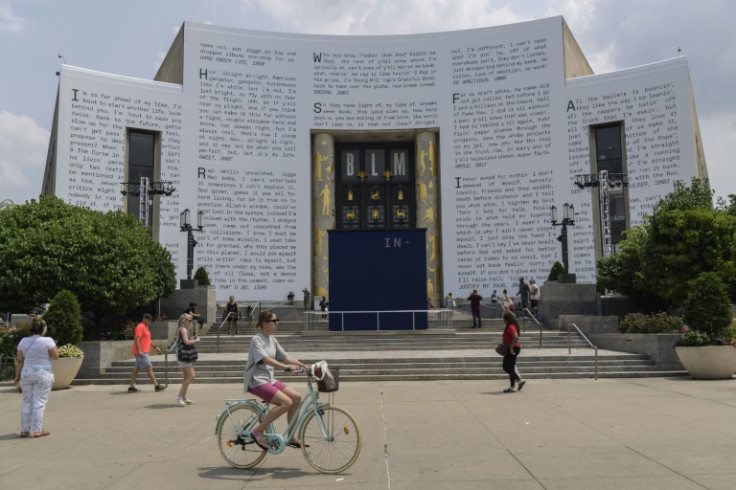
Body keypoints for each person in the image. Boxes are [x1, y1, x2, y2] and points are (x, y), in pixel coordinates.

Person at [243, 311, 310, 450]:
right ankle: (258, 431)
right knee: (286, 402)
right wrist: (285, 367)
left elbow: (286, 357)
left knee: (296, 398)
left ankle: (291, 436)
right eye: (274, 320)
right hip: (257, 381)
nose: (277, 323)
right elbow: (265, 359)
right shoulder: (257, 340)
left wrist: (304, 366)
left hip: (270, 379)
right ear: (264, 323)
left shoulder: (273, 340)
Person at [15, 316, 59, 438]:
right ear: (43, 329)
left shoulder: (23, 341)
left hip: (27, 373)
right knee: (39, 402)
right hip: (43, 373)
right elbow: (56, 356)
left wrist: (17, 377)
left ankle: (24, 430)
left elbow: (19, 361)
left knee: (27, 401)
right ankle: (38, 430)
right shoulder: (48, 341)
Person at [128, 313, 165, 393]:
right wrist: (140, 351)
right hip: (141, 352)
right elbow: (137, 339)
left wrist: (155, 347)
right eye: (148, 320)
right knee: (149, 368)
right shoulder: (140, 327)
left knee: (136, 369)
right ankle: (156, 386)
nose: (150, 321)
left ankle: (131, 387)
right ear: (144, 319)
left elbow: (147, 340)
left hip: (142, 352)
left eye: (150, 320)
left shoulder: (146, 327)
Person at [175, 314, 200, 406]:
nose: (190, 322)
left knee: (186, 377)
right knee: (191, 376)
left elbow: (184, 341)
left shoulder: (182, 329)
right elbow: (187, 342)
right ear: (184, 321)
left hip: (181, 355)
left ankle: (184, 397)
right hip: (184, 356)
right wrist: (196, 340)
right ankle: (179, 396)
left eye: (191, 320)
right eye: (189, 320)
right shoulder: (183, 330)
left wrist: (192, 339)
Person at [501, 311, 526, 393]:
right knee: (505, 367)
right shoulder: (509, 326)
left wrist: (511, 348)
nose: (503, 321)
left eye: (504, 319)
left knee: (511, 368)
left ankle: (512, 387)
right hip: (508, 348)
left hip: (513, 348)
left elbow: (515, 337)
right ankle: (519, 380)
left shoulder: (511, 326)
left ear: (507, 320)